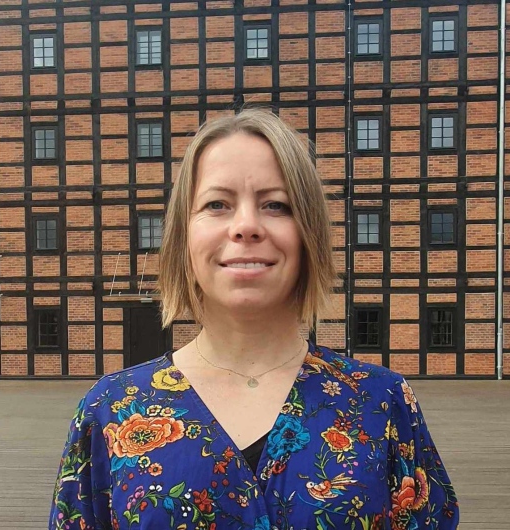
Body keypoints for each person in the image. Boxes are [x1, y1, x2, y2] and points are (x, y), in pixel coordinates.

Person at [49, 108, 459, 530]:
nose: (246, 226)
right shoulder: (109, 410)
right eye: (217, 204)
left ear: (309, 235)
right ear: (183, 237)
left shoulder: (382, 403)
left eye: (276, 205)